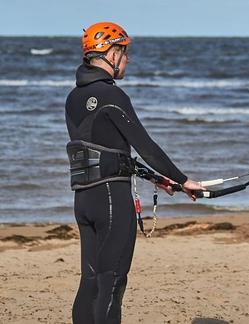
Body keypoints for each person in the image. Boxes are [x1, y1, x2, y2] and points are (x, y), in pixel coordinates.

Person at [64, 22, 204, 324]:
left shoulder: (73, 98)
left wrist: (158, 179)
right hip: (112, 200)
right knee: (112, 281)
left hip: (84, 201)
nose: (127, 60)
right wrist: (183, 180)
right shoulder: (113, 95)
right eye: (125, 53)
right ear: (111, 53)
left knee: (89, 281)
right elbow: (146, 146)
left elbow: (105, 150)